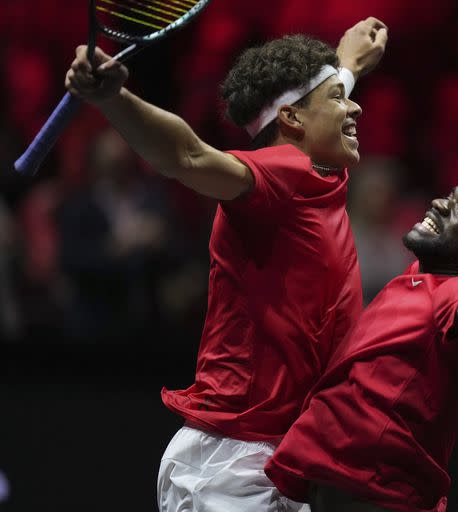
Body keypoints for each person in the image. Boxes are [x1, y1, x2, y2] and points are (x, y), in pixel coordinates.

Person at [64, 18, 388, 512]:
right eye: (340, 98)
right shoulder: (281, 176)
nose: (354, 103)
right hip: (233, 464)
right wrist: (115, 99)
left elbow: (313, 99)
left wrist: (346, 65)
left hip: (272, 455)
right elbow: (188, 157)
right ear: (294, 122)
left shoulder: (315, 166)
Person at [265, 173, 458, 511]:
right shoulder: (421, 275)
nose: (439, 204)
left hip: (374, 495)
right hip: (339, 483)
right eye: (450, 195)